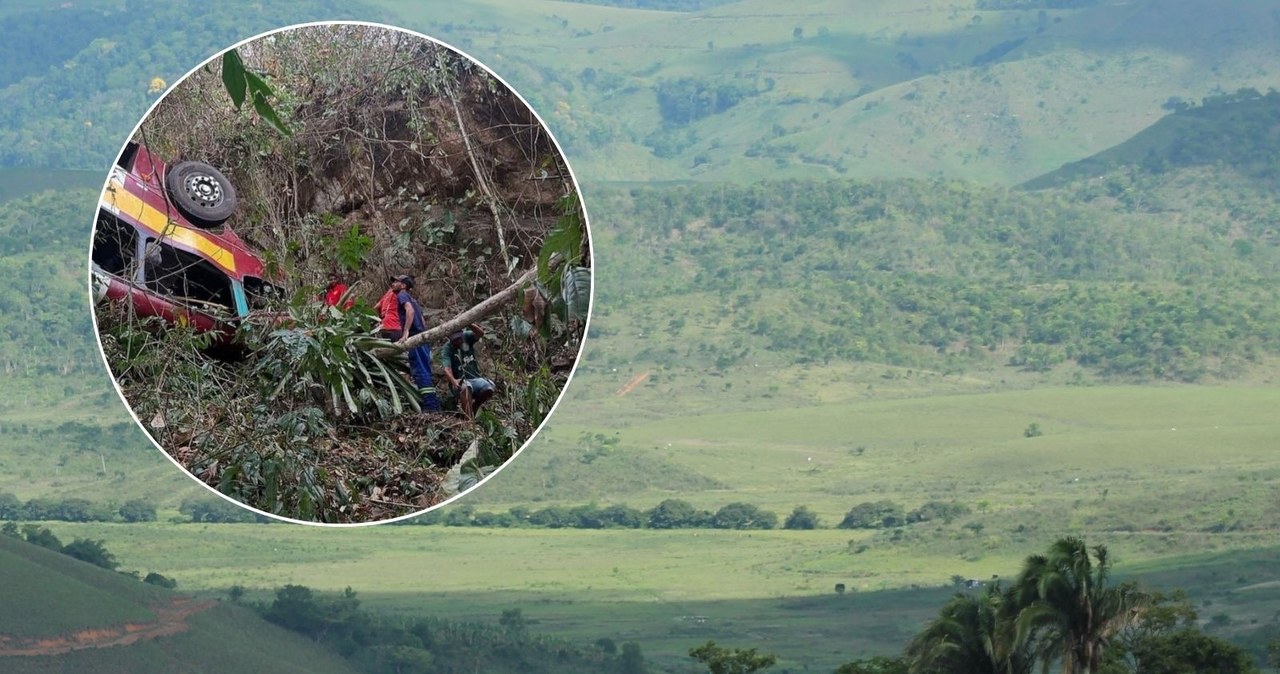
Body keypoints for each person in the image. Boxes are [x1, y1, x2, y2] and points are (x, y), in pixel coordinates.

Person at [388, 274, 441, 412]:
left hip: (415, 339)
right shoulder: (414, 300)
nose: (393, 284)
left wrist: (405, 332)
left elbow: (409, 311)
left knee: (420, 371)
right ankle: (433, 404)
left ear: (404, 285)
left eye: (396, 282)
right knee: (425, 370)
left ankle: (430, 407)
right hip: (422, 338)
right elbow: (422, 320)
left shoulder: (402, 295)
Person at [442, 322, 495, 419]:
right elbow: (446, 368)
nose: (458, 341)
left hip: (474, 379)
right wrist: (454, 381)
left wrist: (469, 323)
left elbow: (480, 334)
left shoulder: (467, 337)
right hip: (460, 381)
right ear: (450, 339)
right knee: (466, 387)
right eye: (455, 340)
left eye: (459, 338)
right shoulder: (447, 349)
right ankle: (469, 419)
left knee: (489, 387)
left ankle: (474, 407)